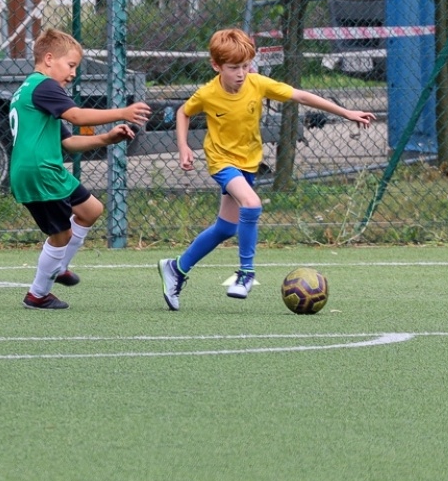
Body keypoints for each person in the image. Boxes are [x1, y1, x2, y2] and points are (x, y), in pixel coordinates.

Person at [159, 28, 374, 309]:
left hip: (248, 161)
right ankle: (246, 273)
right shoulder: (208, 93)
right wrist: (184, 147)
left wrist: (346, 112)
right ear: (216, 66)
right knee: (252, 203)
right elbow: (183, 112)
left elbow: (301, 96)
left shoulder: (257, 83)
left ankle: (177, 267)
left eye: (246, 66)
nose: (241, 73)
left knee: (225, 228)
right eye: (234, 67)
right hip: (222, 161)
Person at [9, 27, 150, 309]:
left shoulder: (32, 89)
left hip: (45, 169)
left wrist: (108, 138)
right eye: (70, 65)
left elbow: (69, 141)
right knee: (61, 234)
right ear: (49, 59)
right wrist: (121, 112)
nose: (73, 74)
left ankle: (59, 266)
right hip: (40, 172)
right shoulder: (45, 86)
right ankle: (38, 294)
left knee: (91, 210)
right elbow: (75, 115)